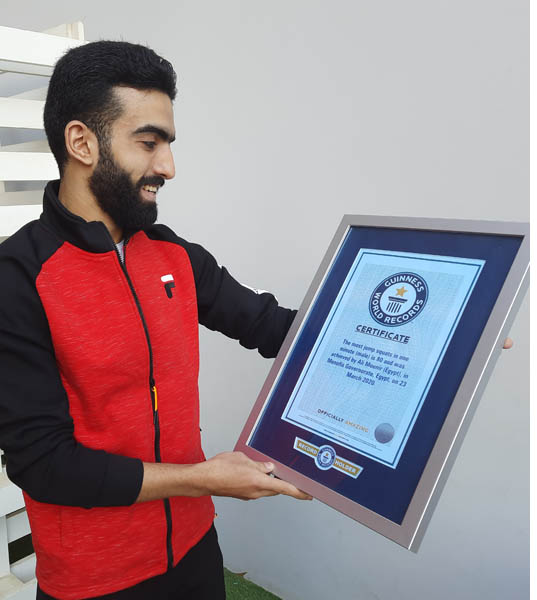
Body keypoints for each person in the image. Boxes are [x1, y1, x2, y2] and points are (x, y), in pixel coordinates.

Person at [0, 41, 315, 600]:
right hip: (94, 578)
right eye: (149, 143)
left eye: (167, 144)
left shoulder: (175, 256)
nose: (167, 166)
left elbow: (279, 330)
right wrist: (202, 479)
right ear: (81, 142)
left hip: (194, 550)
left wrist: (441, 342)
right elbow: (43, 462)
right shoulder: (17, 276)